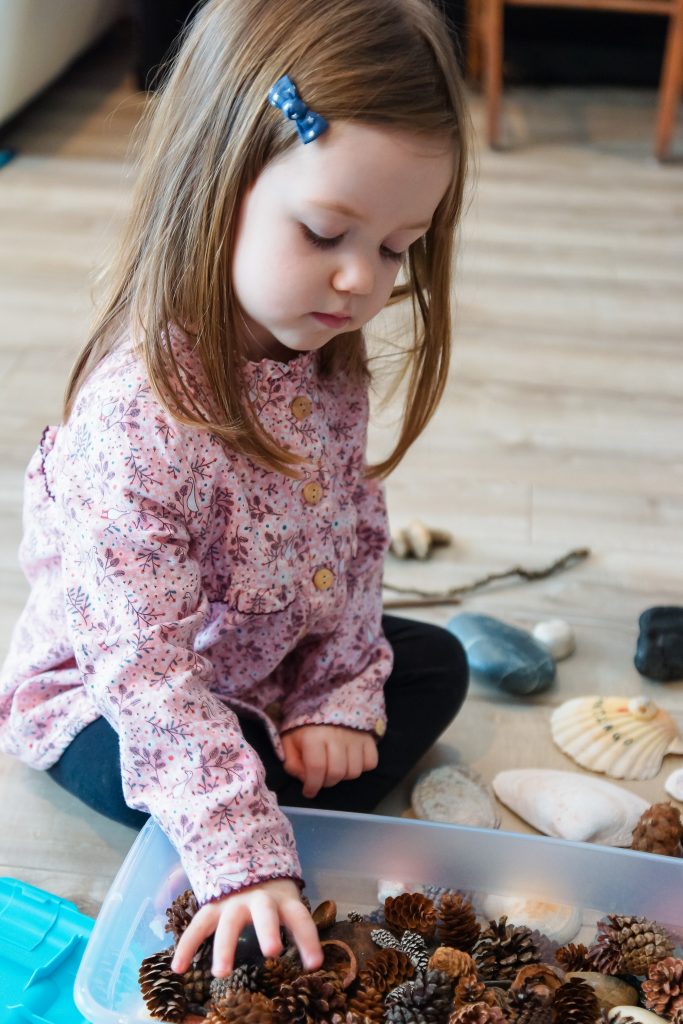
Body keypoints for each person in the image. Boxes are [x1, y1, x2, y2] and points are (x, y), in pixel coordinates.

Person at [0, 0, 470, 981]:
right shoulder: (137, 420)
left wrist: (337, 692)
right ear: (216, 181)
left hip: (260, 663)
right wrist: (237, 846)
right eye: (324, 230)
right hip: (108, 695)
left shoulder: (324, 354)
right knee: (195, 777)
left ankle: (265, 793)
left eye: (396, 247)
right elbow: (142, 672)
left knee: (430, 667)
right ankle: (247, 835)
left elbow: (352, 540)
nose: (358, 281)